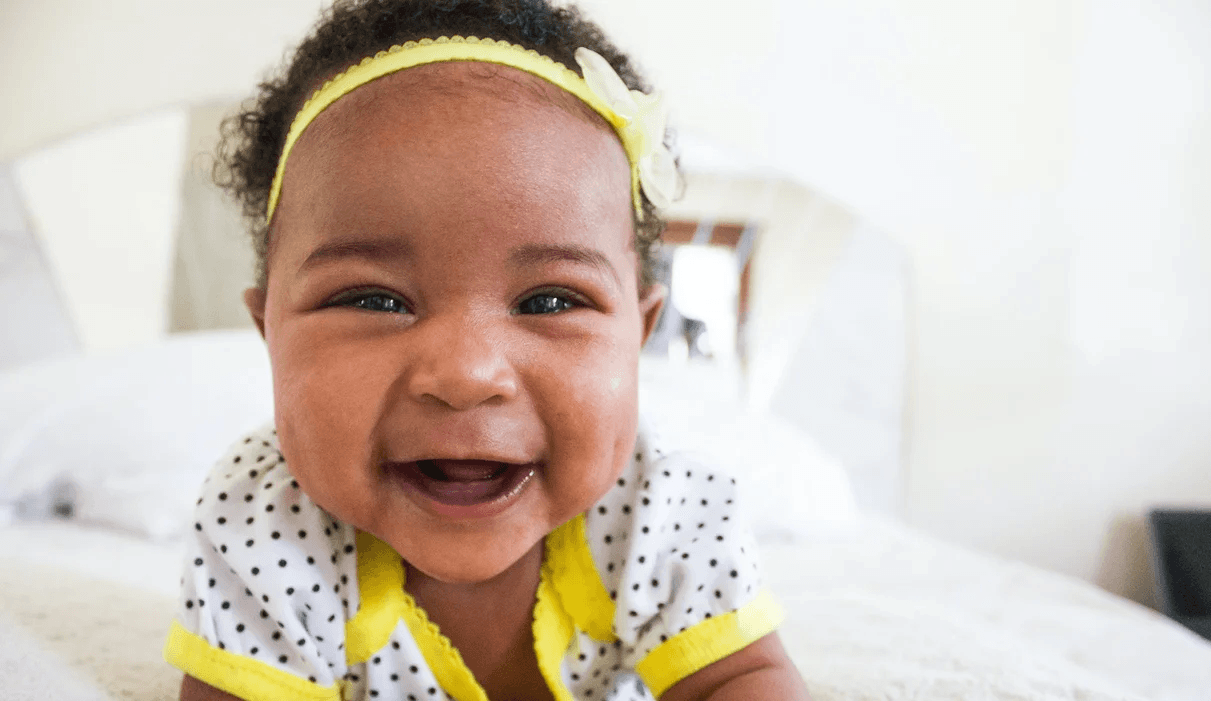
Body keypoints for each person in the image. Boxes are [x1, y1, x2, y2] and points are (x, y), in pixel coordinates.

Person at [165, 1, 810, 699]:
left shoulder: (665, 508)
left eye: (550, 301)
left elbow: (743, 678)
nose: (466, 374)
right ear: (270, 333)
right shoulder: (265, 519)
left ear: (639, 335)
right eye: (374, 299)